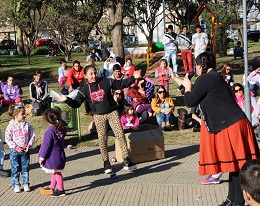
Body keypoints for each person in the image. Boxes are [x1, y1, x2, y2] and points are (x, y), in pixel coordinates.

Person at [179, 52, 259, 206]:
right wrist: (185, 87)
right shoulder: (215, 77)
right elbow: (198, 97)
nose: (195, 68)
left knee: (237, 165)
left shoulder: (207, 78)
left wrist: (187, 87)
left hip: (232, 124)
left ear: (201, 66)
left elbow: (190, 101)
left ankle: (238, 201)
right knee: (234, 166)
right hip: (234, 123)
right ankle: (233, 199)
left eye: (196, 65)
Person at [56, 65, 141, 174]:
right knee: (102, 139)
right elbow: (76, 103)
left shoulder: (105, 81)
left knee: (120, 134)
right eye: (91, 74)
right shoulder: (84, 89)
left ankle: (126, 160)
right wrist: (66, 99)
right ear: (85, 76)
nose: (94, 76)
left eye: (95, 73)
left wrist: (133, 78)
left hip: (112, 112)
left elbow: (120, 84)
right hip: (98, 116)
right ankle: (106, 163)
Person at [5, 102, 35, 193]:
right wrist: (15, 147)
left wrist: (29, 145)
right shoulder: (10, 126)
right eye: (22, 114)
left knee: (25, 168)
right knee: (15, 168)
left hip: (25, 150)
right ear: (15, 115)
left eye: (25, 113)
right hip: (15, 151)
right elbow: (8, 138)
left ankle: (26, 184)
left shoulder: (27, 125)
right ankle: (16, 185)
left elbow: (32, 135)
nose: (25, 115)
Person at [38, 108, 67, 197]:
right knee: (53, 172)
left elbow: (46, 146)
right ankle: (51, 187)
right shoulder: (61, 128)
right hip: (59, 155)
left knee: (57, 173)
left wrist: (41, 157)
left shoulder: (50, 131)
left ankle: (61, 190)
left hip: (52, 157)